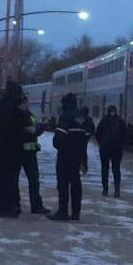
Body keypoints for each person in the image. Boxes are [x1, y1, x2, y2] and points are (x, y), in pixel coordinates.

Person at [50, 92, 90, 221]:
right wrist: (83, 158)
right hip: (78, 156)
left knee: (63, 184)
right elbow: (86, 137)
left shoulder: (65, 117)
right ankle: (76, 212)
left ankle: (63, 212)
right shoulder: (84, 119)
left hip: (65, 156)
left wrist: (60, 147)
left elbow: (58, 139)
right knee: (76, 184)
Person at [0, 81, 28, 217]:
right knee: (12, 179)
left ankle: (2, 206)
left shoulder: (1, 108)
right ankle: (12, 205)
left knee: (2, 179)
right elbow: (22, 128)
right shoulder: (16, 110)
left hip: (1, 149)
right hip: (14, 150)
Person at [21, 93, 48, 215]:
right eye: (24, 103)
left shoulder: (30, 115)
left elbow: (35, 128)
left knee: (34, 180)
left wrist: (40, 127)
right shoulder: (20, 116)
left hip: (30, 151)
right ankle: (32, 205)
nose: (26, 105)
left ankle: (36, 205)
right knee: (31, 179)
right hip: (21, 151)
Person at [94, 104, 125, 196]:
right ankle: (117, 190)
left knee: (105, 169)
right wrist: (121, 144)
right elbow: (125, 134)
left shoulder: (103, 120)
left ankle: (105, 190)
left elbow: (97, 133)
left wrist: (101, 143)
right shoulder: (120, 121)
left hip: (105, 149)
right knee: (116, 169)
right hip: (117, 149)